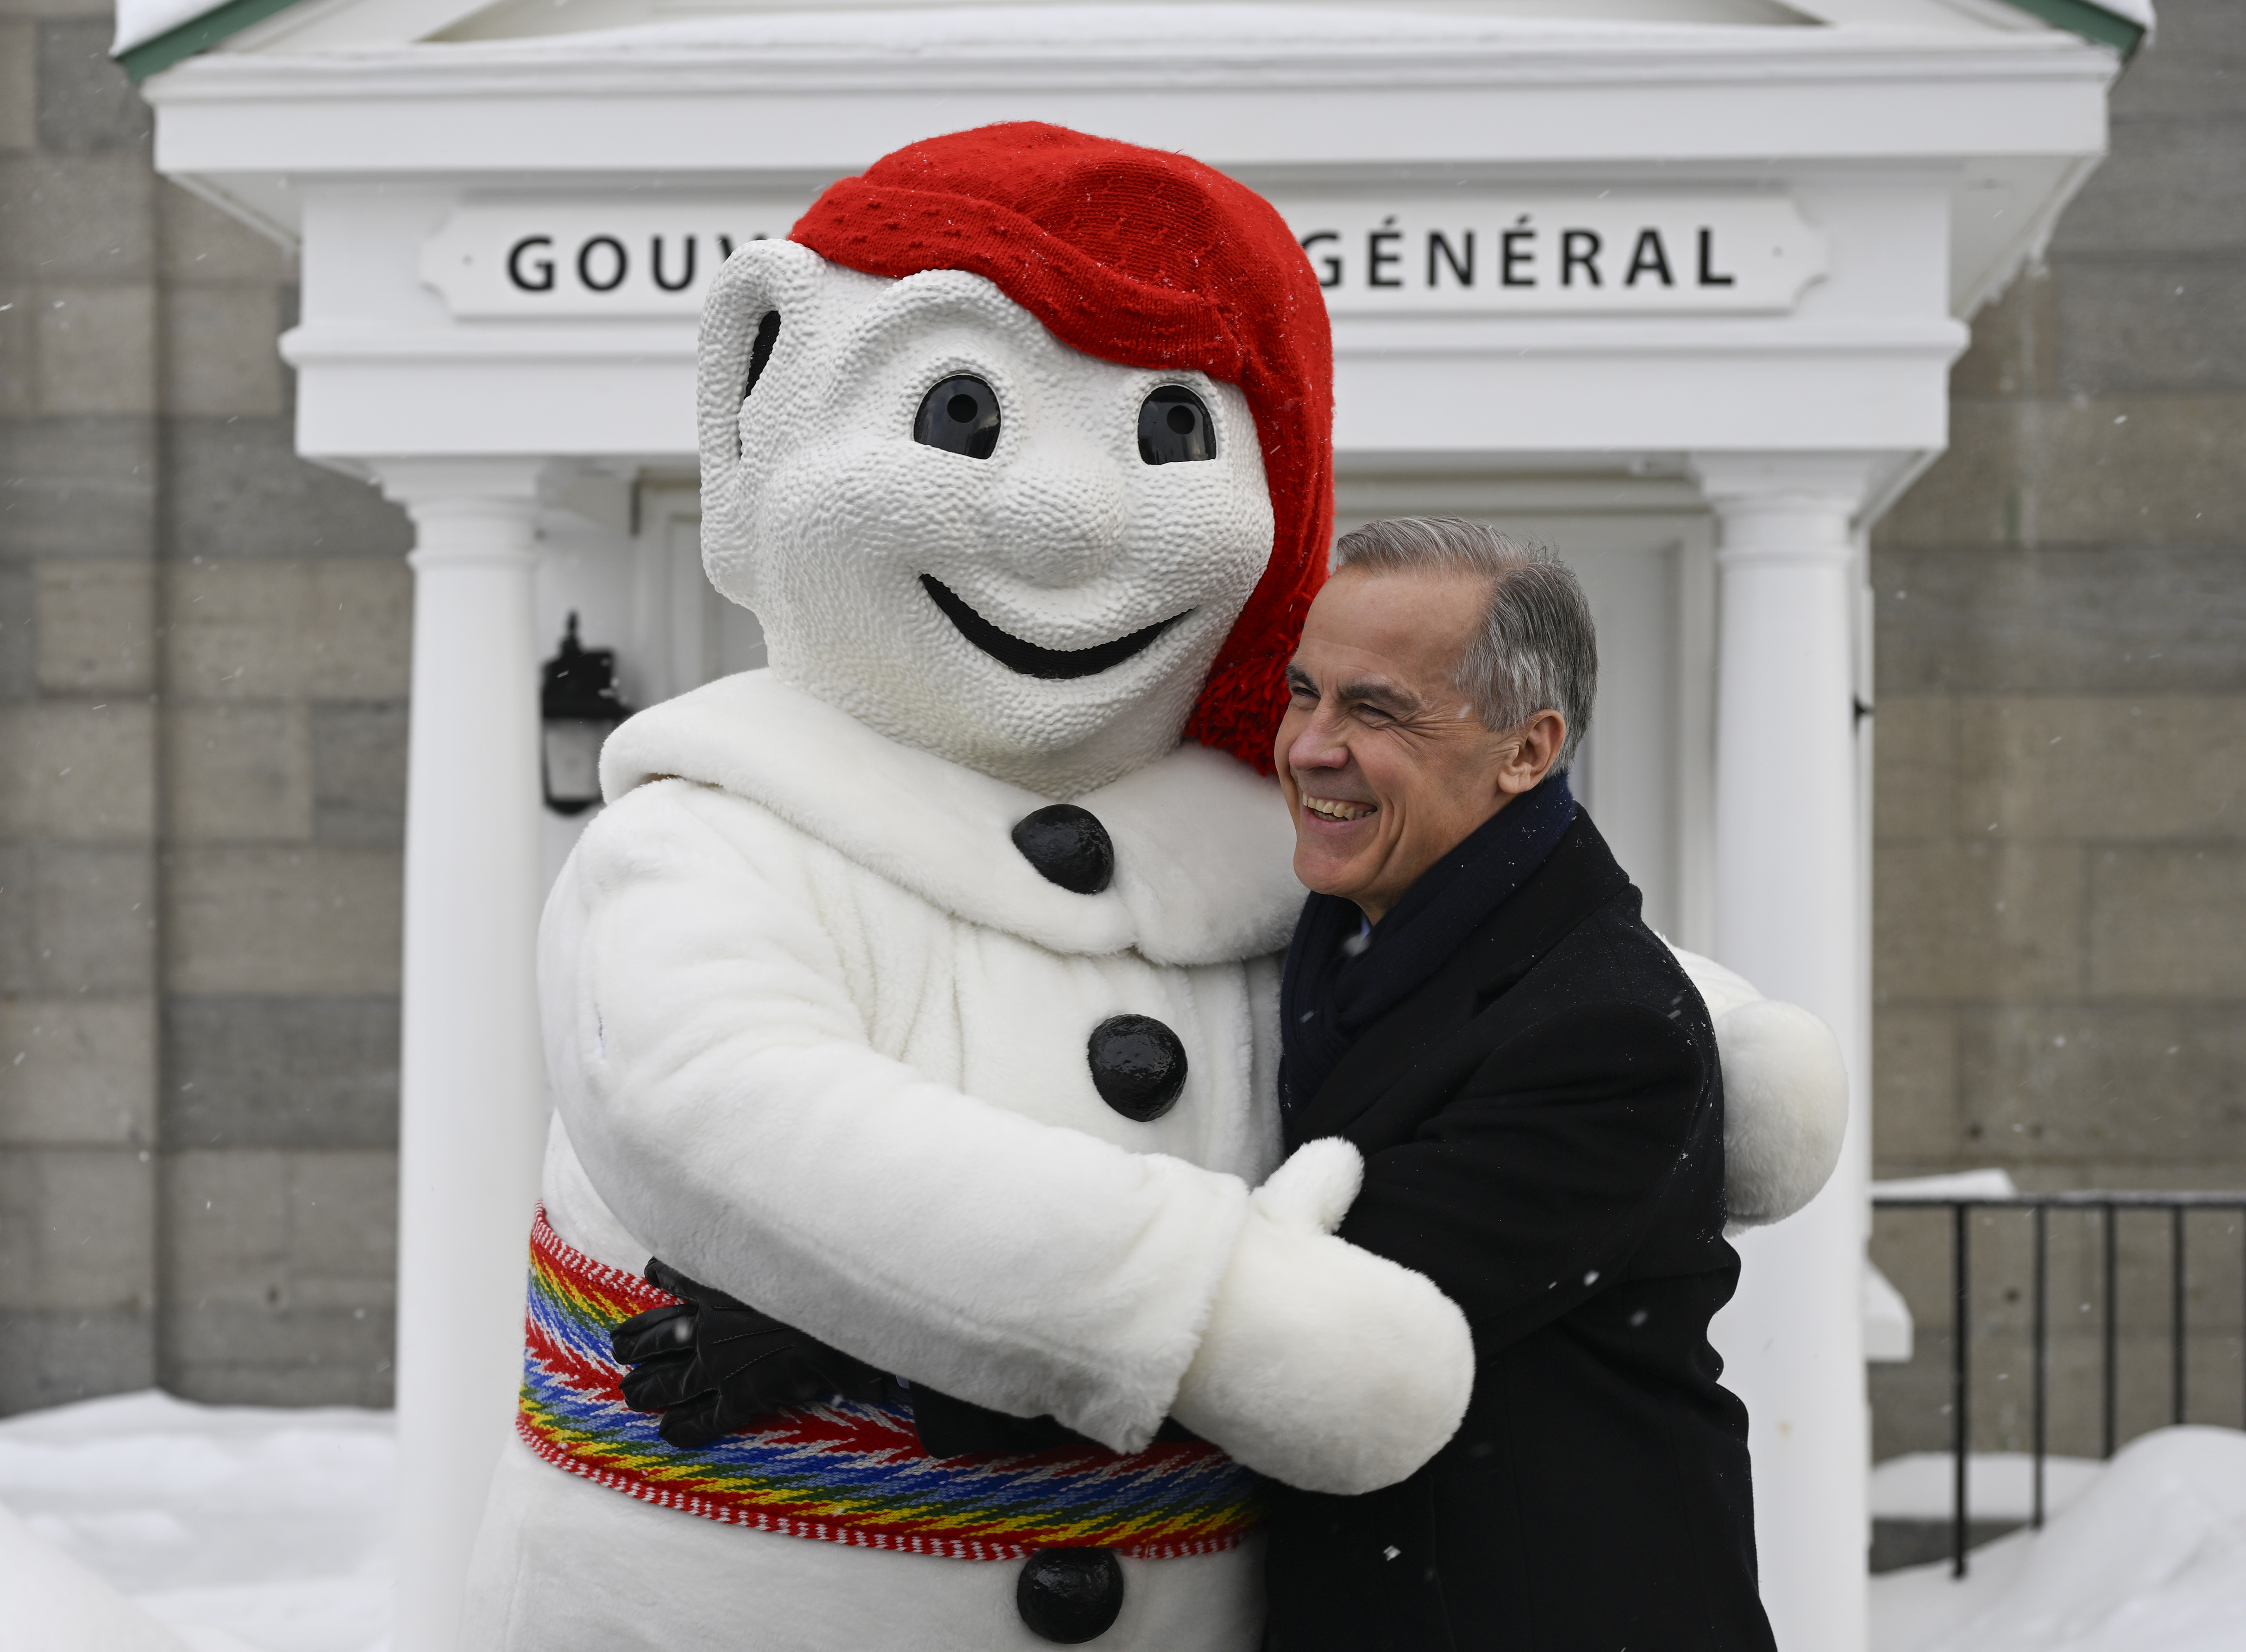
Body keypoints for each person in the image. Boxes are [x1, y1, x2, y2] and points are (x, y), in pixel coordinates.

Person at [1261, 516, 1779, 1652]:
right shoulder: (1318, 940)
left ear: (1526, 750)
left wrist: (886, 1351)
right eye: (1304, 693)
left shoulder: (1607, 1029)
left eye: (1376, 708)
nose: (1309, 745)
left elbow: (1311, 1332)